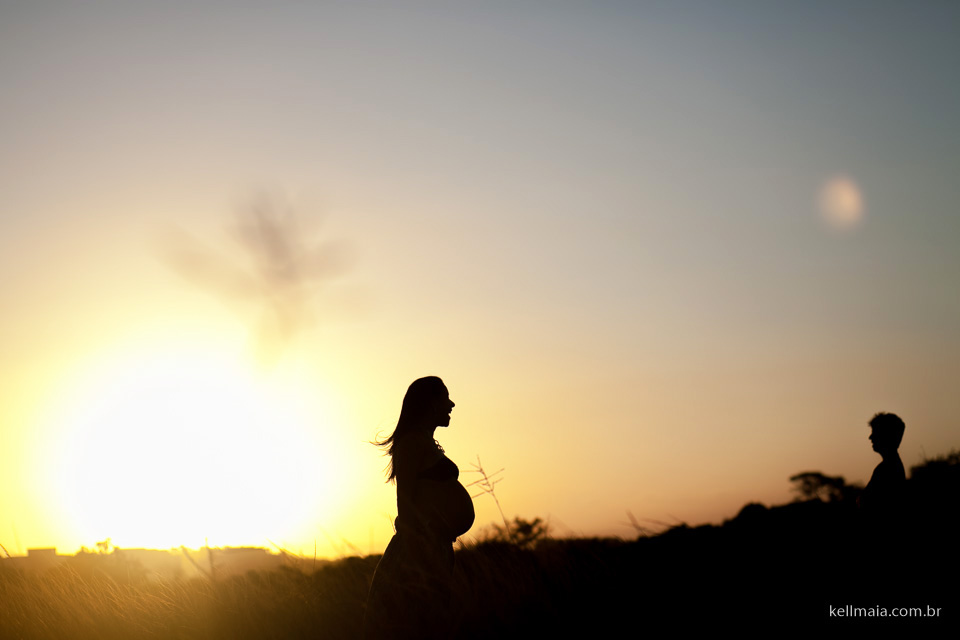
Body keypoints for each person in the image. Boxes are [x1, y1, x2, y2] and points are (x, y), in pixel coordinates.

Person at [364, 376, 475, 640]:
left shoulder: (422, 441)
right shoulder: (412, 443)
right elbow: (406, 504)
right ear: (430, 403)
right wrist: (422, 551)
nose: (452, 404)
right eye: (445, 397)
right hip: (420, 550)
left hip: (433, 546)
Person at [858, 412, 907, 521]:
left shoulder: (888, 469)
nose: (870, 437)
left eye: (875, 432)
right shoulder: (889, 466)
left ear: (886, 435)